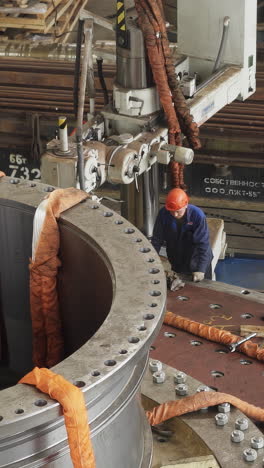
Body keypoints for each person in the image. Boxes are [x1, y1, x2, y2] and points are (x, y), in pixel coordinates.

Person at [151, 188, 213, 282]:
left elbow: (203, 243)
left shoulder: (197, 215)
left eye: (178, 211)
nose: (175, 214)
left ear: (186, 205)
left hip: (196, 259)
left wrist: (201, 269)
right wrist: (151, 260)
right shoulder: (163, 214)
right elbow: (157, 239)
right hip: (177, 259)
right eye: (172, 211)